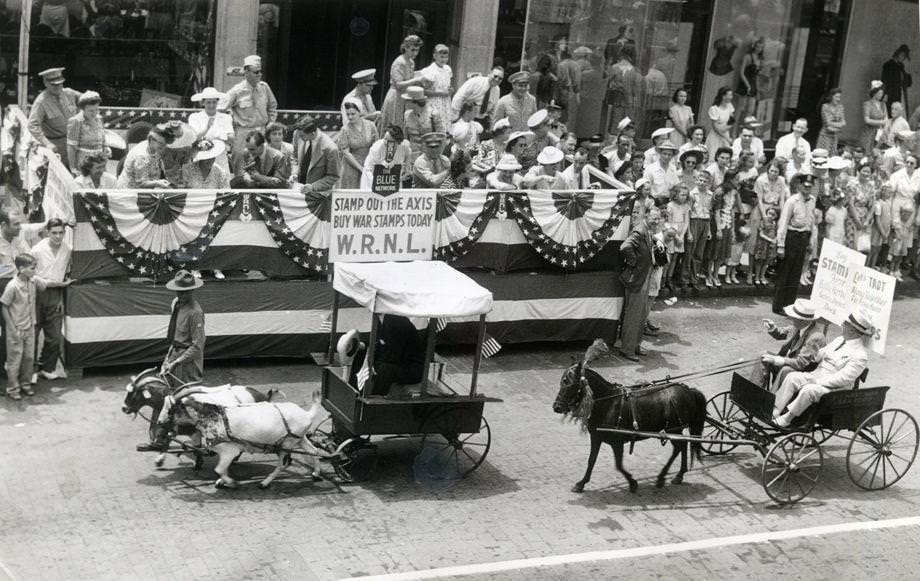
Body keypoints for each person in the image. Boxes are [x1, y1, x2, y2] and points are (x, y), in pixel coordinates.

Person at [772, 311, 872, 428]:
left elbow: (843, 379)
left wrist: (818, 382)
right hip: (817, 375)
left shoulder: (860, 355)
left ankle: (788, 418)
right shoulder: (839, 340)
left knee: (808, 390)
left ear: (851, 330)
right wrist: (816, 354)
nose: (842, 325)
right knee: (792, 377)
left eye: (845, 324)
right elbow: (822, 354)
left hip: (835, 389)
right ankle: (775, 411)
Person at [30, 219, 73, 384]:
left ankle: (46, 368)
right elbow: (30, 275)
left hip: (55, 295)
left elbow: (66, 274)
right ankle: (31, 370)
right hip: (36, 293)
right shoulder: (37, 250)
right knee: (33, 334)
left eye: (61, 232)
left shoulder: (67, 250)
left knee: (54, 336)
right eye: (54, 232)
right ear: (47, 232)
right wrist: (52, 283)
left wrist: (61, 294)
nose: (58, 236)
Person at [772, 172, 817, 314]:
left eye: (810, 187)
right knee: (785, 272)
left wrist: (811, 241)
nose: (807, 189)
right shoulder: (792, 201)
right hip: (791, 236)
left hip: (803, 237)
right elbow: (783, 223)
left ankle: (789, 305)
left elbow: (811, 221)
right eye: (804, 186)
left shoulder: (812, 201)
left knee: (796, 273)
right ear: (799, 186)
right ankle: (779, 306)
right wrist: (780, 245)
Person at [618, 206, 659, 361]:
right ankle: (627, 349)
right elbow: (625, 247)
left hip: (644, 277)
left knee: (641, 314)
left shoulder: (647, 231)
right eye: (654, 218)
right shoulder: (640, 231)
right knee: (633, 315)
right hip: (637, 278)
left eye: (658, 218)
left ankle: (634, 345)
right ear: (646, 216)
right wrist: (634, 263)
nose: (656, 221)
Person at [758, 298, 827, 390]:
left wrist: (779, 360)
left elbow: (801, 363)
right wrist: (773, 328)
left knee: (785, 370)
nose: (792, 319)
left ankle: (772, 398)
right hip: (790, 361)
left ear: (804, 320)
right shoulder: (799, 326)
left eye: (795, 318)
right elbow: (782, 333)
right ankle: (756, 389)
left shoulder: (816, 337)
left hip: (802, 370)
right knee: (762, 354)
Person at [224, 55, 278, 169]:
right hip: (243, 134)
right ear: (246, 72)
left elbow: (272, 106)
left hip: (261, 132)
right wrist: (230, 129)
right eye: (256, 72)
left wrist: (271, 123)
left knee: (262, 166)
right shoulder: (236, 91)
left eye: (260, 71)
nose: (259, 74)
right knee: (240, 168)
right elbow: (223, 109)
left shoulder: (264, 87)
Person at [2, 254, 40, 400]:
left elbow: (45, 283)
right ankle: (13, 388)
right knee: (14, 360)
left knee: (29, 358)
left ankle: (25, 384)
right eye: (32, 268)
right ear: (21, 269)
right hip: (16, 329)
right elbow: (4, 307)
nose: (35, 271)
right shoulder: (12, 286)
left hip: (30, 327)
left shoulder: (32, 283)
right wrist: (11, 328)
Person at [27, 68, 81, 167]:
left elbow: (87, 100)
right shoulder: (41, 101)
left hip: (73, 140)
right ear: (46, 83)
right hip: (55, 144)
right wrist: (47, 143)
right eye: (53, 84)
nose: (58, 87)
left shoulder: (69, 93)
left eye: (60, 83)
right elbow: (32, 125)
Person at [162, 269, 206, 386]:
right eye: (178, 291)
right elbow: (175, 334)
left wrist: (177, 362)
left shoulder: (195, 313)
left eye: (184, 292)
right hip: (174, 354)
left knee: (187, 395)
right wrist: (168, 359)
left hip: (188, 362)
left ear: (192, 290)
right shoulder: (176, 303)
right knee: (169, 390)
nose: (180, 295)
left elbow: (197, 346)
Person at [368, 315, 426, 396]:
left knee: (385, 369)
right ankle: (357, 393)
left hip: (412, 369)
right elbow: (378, 344)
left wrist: (375, 365)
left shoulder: (397, 321)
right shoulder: (380, 319)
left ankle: (375, 400)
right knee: (365, 358)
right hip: (399, 362)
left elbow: (393, 355)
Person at [379, 35, 425, 134]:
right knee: (394, 126)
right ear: (405, 48)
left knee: (403, 125)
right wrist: (416, 79)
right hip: (396, 96)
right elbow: (398, 84)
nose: (415, 53)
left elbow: (409, 78)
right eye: (413, 50)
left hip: (405, 97)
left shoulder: (411, 62)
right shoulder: (399, 62)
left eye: (417, 50)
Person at [188, 87, 234, 172]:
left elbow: (231, 138)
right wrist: (207, 128)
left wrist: (220, 136)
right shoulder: (195, 117)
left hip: (220, 158)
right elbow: (193, 138)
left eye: (214, 102)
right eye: (208, 102)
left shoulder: (226, 117)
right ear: (203, 102)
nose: (211, 105)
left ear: (217, 102)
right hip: (201, 156)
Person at [291, 115, 341, 193]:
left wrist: (313, 187)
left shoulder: (331, 149)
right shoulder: (298, 133)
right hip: (298, 189)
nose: (300, 137)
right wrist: (294, 173)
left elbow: (333, 176)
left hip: (318, 194)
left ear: (313, 133)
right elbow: (294, 157)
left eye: (303, 136)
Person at [337, 101, 379, 189]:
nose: (350, 117)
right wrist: (360, 168)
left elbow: (376, 146)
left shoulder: (371, 126)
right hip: (351, 167)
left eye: (353, 114)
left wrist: (369, 166)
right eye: (347, 114)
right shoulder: (345, 130)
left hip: (368, 164)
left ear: (360, 112)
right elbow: (346, 153)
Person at [117, 124, 172, 189]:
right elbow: (141, 183)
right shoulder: (141, 156)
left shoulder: (153, 146)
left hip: (147, 186)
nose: (163, 147)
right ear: (151, 140)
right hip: (130, 191)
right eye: (161, 144)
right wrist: (158, 183)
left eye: (165, 144)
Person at [361, 125, 412, 190]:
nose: (385, 142)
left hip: (393, 181)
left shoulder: (404, 146)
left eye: (389, 141)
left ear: (397, 142)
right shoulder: (376, 148)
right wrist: (377, 184)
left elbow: (408, 153)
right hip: (371, 179)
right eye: (385, 138)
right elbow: (368, 169)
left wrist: (407, 170)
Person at [65, 90, 105, 173]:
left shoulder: (99, 119)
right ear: (82, 109)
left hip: (99, 161)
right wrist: (72, 167)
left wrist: (106, 148)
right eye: (91, 111)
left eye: (96, 109)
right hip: (84, 162)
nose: (94, 113)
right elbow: (71, 147)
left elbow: (102, 139)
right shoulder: (76, 121)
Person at [420, 44, 453, 126]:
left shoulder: (447, 69)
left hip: (445, 102)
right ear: (435, 56)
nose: (444, 59)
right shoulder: (431, 71)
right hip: (434, 103)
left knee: (445, 126)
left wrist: (450, 90)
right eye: (441, 57)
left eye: (446, 57)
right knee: (435, 125)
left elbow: (446, 85)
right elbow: (425, 91)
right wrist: (441, 93)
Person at [881, 44, 912, 115]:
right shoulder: (888, 65)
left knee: (900, 115)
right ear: (898, 53)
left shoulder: (901, 66)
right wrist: (885, 94)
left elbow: (906, 83)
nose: (903, 58)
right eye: (902, 55)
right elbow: (884, 81)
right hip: (890, 94)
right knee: (890, 114)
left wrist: (907, 75)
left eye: (904, 56)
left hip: (900, 94)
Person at [753, 207, 779, 286]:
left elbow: (777, 233)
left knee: (766, 262)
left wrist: (775, 240)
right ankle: (757, 277)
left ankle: (762, 276)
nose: (770, 216)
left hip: (770, 246)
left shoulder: (775, 224)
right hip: (763, 244)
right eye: (769, 213)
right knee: (760, 261)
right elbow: (761, 234)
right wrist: (770, 240)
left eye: (773, 214)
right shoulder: (763, 222)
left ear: (776, 216)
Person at [816, 88, 846, 155]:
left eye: (839, 97)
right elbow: (827, 123)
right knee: (822, 156)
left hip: (834, 136)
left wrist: (833, 125)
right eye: (836, 97)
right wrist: (839, 126)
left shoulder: (840, 107)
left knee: (832, 157)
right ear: (831, 96)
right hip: (825, 136)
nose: (838, 99)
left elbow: (844, 122)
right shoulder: (825, 106)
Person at [861, 81, 889, 153]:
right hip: (869, 133)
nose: (881, 95)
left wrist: (884, 127)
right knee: (867, 153)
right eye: (879, 93)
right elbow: (867, 120)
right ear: (874, 93)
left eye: (882, 93)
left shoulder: (883, 105)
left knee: (877, 153)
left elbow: (886, 118)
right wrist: (881, 122)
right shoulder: (867, 104)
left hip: (879, 134)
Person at [705, 87, 735, 153]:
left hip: (726, 133)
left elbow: (732, 120)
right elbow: (715, 127)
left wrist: (726, 129)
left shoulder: (730, 106)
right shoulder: (714, 109)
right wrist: (725, 137)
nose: (731, 97)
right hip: (715, 136)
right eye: (729, 95)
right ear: (723, 96)